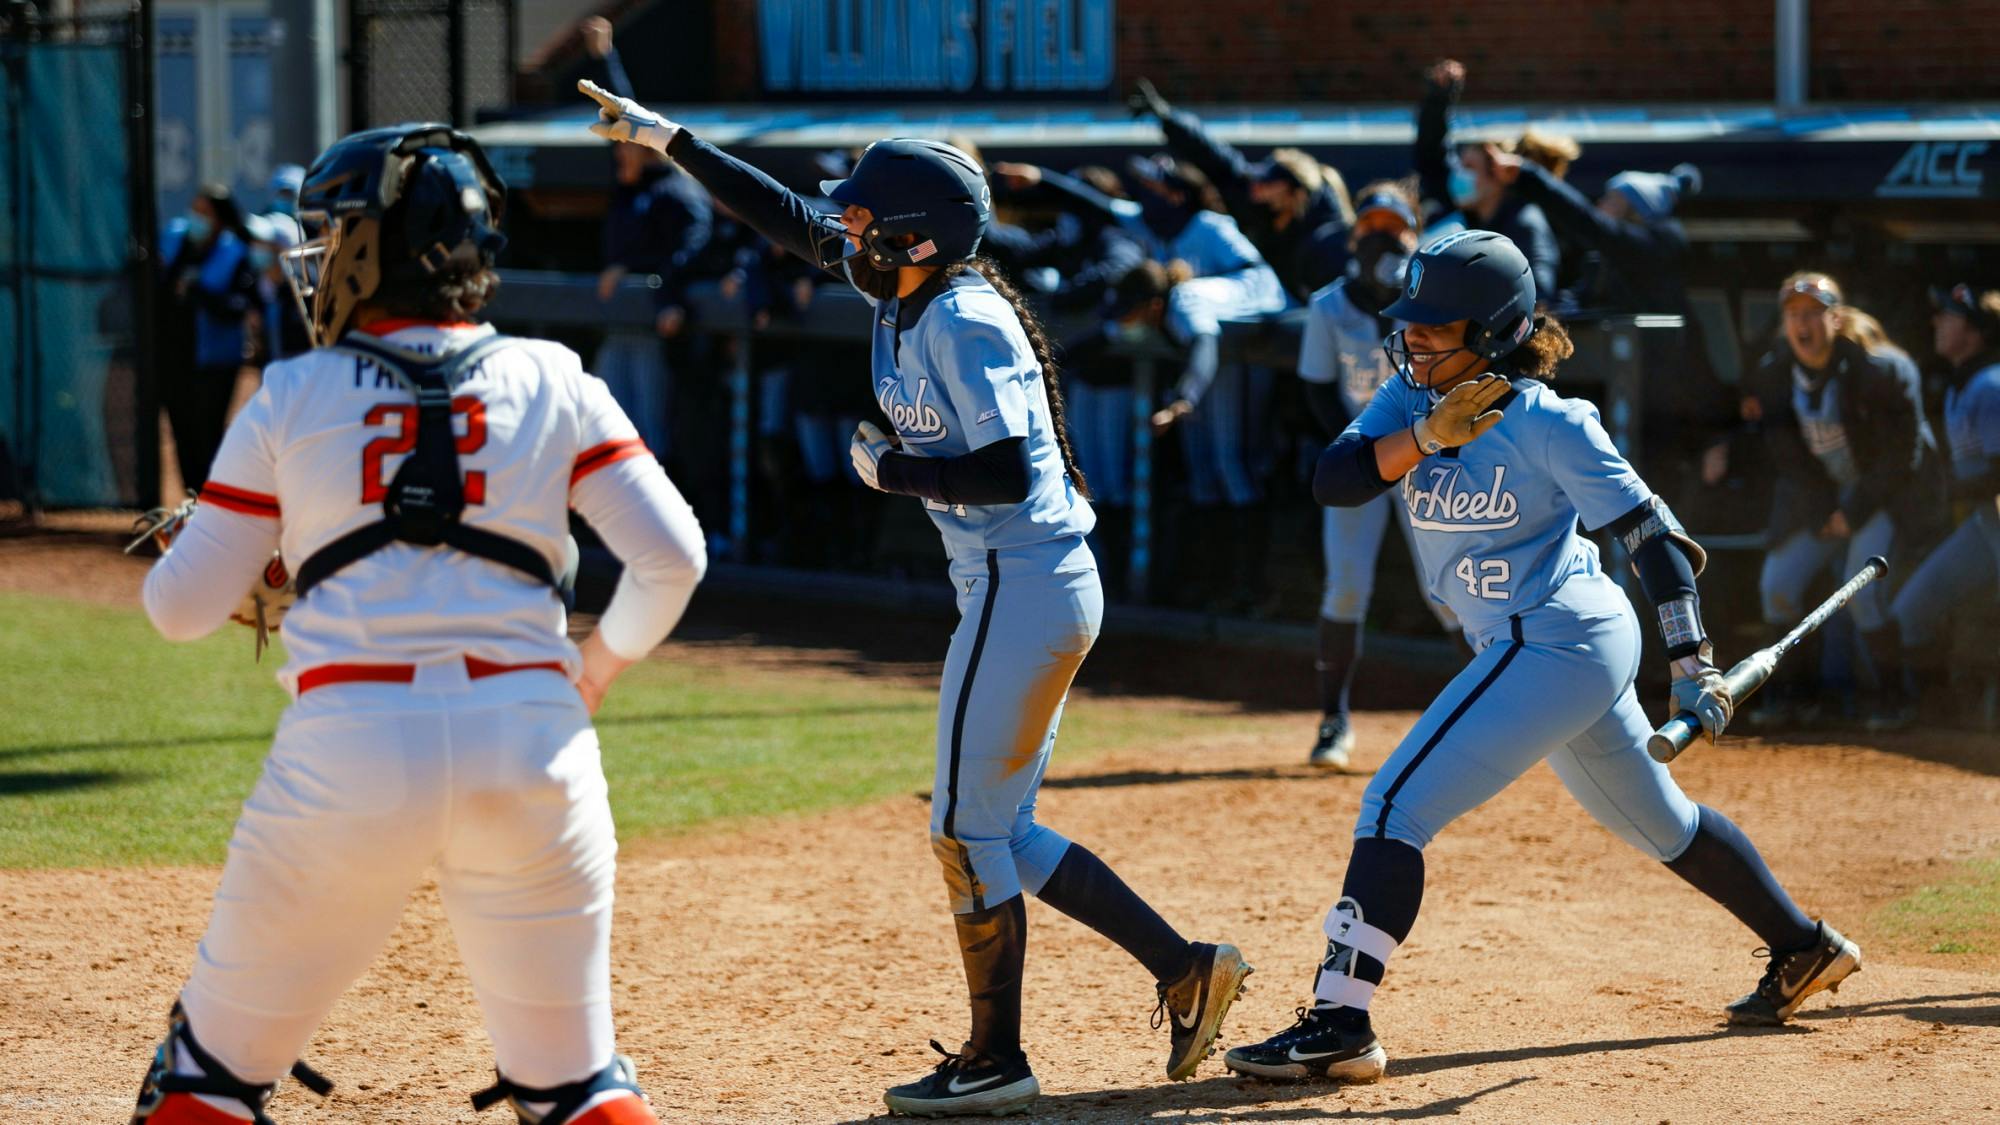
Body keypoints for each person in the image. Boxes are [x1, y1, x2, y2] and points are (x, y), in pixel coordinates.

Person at [584, 81, 1252, 1117]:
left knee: (959, 827)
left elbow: (1005, 474)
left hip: (1019, 585)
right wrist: (673, 140)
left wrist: (888, 473)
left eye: (862, 214)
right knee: (1002, 830)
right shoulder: (912, 289)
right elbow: (789, 218)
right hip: (1020, 586)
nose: (842, 224)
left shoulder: (965, 318)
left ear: (912, 235)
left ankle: (998, 1060)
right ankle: (1184, 967)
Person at [127, 123, 707, 1125]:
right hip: (534, 743)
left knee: (206, 1084)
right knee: (576, 1088)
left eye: (330, 235)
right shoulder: (556, 374)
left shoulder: (291, 392)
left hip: (345, 749)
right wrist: (597, 668)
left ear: (366, 250)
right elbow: (675, 559)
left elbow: (176, 611)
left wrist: (250, 550)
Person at [1223, 231, 1859, 1085]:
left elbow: (1652, 536)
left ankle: (1340, 1019)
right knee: (1660, 822)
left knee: (1391, 807)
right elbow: (1333, 478)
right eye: (1408, 324)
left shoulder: (1549, 418)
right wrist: (1424, 435)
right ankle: (1803, 946)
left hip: (1560, 634)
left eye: (1434, 327)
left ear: (1489, 332)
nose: (1411, 340)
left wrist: (1693, 657)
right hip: (1529, 643)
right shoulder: (1405, 402)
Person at [1293, 180, 1457, 768]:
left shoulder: (1436, 303)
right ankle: (1333, 722)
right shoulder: (1329, 304)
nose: (1382, 240)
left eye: (1395, 229)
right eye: (1371, 229)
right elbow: (1315, 390)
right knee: (1346, 587)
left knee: (1447, 593)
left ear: (1416, 237)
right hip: (1362, 456)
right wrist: (1359, 456)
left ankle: (1486, 717)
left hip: (1430, 456)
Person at [1743, 272, 1943, 727]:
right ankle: (1796, 699)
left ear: (1835, 318)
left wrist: (1853, 512)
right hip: (1822, 501)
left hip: (1882, 498)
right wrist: (1823, 512)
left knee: (1861, 589)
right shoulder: (1775, 372)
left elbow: (1903, 455)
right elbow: (1786, 454)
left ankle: (1896, 701)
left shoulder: (1879, 368)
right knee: (1778, 583)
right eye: (1793, 315)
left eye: (1813, 314)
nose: (1802, 325)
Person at [1884, 284, 2000, 725]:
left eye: (1949, 316)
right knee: (1912, 610)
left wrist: (1944, 488)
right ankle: (1940, 716)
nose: (1937, 322)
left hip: (1995, 513)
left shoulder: (1991, 385)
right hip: (1984, 519)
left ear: (1973, 331)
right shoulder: (1963, 382)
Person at [1129, 77, 1353, 300]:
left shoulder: (1326, 236)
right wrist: (1167, 117)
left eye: (1269, 183)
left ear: (1295, 193)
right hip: (1271, 306)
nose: (1258, 186)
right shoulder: (1254, 200)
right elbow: (1213, 156)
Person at [1410, 60, 1560, 300]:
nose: (1459, 173)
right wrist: (1438, 100)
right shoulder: (1466, 214)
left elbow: (1538, 292)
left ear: (1498, 178)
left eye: (1470, 167)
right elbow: (1431, 158)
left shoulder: (1526, 225)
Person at [158, 184, 261, 490]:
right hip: (176, 358)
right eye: (194, 210)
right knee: (182, 432)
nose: (196, 218)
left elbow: (241, 305)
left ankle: (211, 502)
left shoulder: (236, 253)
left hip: (216, 361)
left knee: (209, 433)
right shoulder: (176, 245)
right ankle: (190, 501)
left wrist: (199, 291)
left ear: (220, 218)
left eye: (205, 212)